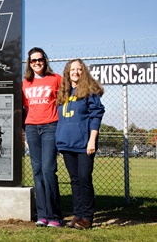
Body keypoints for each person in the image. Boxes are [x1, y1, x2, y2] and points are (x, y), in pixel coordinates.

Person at [55, 59, 105, 230]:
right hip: (66, 143)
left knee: (84, 178)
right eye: (72, 69)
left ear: (84, 72)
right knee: (75, 180)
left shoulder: (90, 91)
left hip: (84, 143)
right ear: (67, 72)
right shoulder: (63, 92)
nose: (75, 72)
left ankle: (87, 217)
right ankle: (77, 215)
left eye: (79, 69)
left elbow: (96, 115)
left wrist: (92, 140)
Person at [22, 47, 62, 227]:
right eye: (33, 60)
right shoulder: (25, 83)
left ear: (45, 60)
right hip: (31, 129)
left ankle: (54, 216)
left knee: (48, 170)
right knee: (37, 172)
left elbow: (64, 101)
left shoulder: (56, 79)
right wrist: (23, 132)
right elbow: (24, 109)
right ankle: (42, 215)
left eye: (40, 59)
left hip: (50, 127)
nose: (37, 63)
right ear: (29, 63)